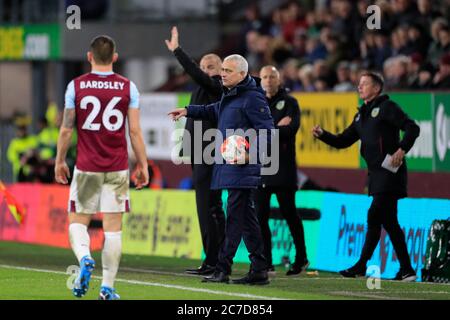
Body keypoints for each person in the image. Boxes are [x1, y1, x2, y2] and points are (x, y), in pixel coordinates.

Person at [55, 35, 149, 300]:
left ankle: (85, 258)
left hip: (86, 167)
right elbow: (134, 131)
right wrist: (142, 164)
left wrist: (60, 160)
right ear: (115, 58)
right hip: (117, 168)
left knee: (77, 222)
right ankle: (107, 288)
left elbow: (66, 129)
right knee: (113, 228)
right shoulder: (128, 87)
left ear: (89, 57)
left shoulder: (76, 86)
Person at [168, 54, 274, 285]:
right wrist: (188, 110)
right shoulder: (231, 96)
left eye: (227, 70)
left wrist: (250, 154)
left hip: (242, 169)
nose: (222, 74)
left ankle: (222, 269)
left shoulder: (253, 98)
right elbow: (214, 110)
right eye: (222, 69)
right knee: (247, 220)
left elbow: (267, 131)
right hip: (230, 168)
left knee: (234, 220)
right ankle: (259, 269)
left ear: (242, 74)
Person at [312, 71, 420, 282]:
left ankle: (361, 265)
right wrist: (323, 135)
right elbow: (343, 141)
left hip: (390, 172)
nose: (359, 87)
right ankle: (407, 269)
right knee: (389, 223)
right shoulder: (361, 115)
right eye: (359, 84)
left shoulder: (387, 107)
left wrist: (401, 149)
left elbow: (412, 128)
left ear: (377, 88)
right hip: (375, 175)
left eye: (364, 84)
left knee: (374, 216)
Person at [165, 26, 226, 276]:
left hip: (210, 153)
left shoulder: (216, 85)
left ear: (221, 70)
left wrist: (178, 51)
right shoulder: (200, 89)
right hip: (199, 153)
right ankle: (213, 259)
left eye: (210, 66)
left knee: (209, 208)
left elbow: (196, 75)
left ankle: (215, 261)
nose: (204, 69)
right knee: (209, 208)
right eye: (203, 65)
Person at [256, 65, 308, 276]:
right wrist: (276, 127)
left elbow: (290, 130)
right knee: (260, 217)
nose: (268, 80)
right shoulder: (256, 102)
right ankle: (266, 262)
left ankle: (301, 258)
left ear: (279, 80)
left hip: (283, 168)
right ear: (260, 81)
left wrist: (267, 131)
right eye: (265, 77)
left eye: (272, 77)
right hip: (260, 167)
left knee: (290, 214)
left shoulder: (290, 102)